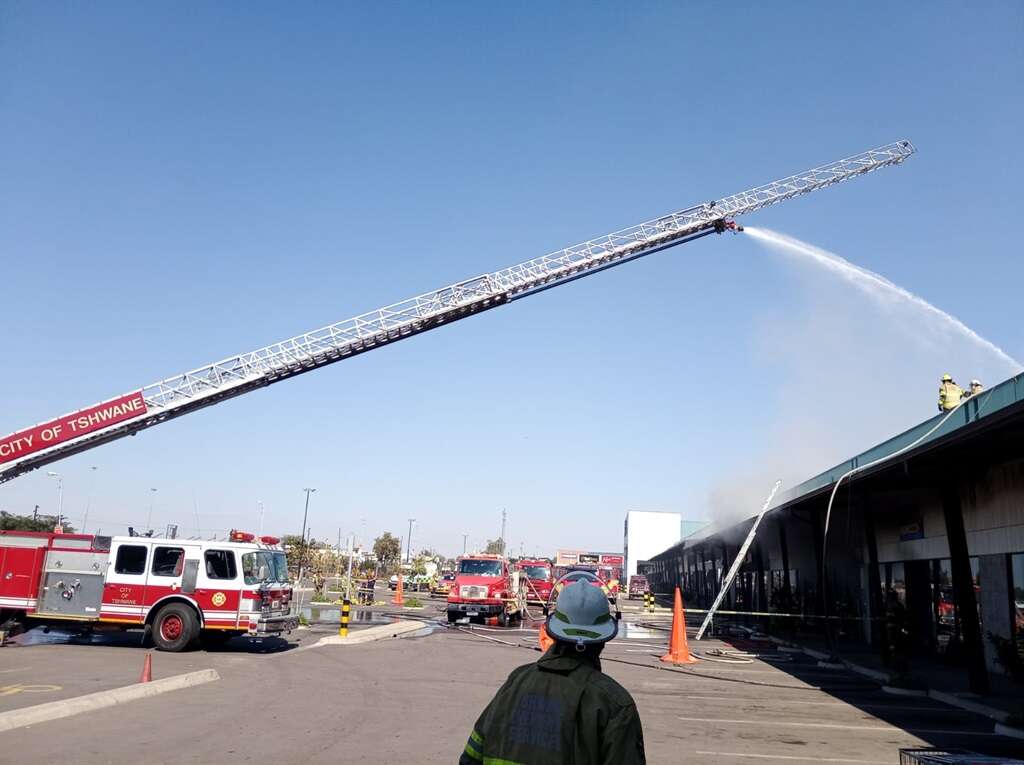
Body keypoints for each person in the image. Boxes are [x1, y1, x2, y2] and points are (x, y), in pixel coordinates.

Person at [459, 580, 645, 764]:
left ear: (553, 630)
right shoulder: (614, 703)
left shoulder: (517, 681)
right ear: (603, 639)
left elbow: (472, 757)